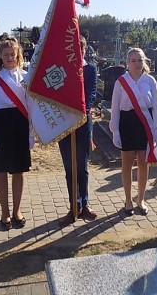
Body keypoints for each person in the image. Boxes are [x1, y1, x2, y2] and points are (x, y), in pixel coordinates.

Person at [0, 38, 32, 230]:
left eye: (13, 54)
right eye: (6, 54)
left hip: (19, 125)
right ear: (0, 57)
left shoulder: (26, 77)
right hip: (0, 126)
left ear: (18, 55)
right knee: (0, 170)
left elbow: (30, 106)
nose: (10, 57)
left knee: (18, 171)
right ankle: (4, 211)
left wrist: (30, 133)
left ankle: (17, 210)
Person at [110, 47, 157, 216]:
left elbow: (156, 106)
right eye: (133, 60)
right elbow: (115, 108)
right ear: (128, 62)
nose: (137, 63)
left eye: (140, 60)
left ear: (144, 61)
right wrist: (115, 131)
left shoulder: (150, 81)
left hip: (144, 125)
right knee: (126, 164)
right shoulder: (121, 82)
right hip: (127, 124)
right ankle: (127, 200)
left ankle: (140, 199)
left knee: (143, 163)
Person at [59, 37, 98, 224]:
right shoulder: (62, 70)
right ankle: (73, 205)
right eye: (74, 49)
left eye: (80, 48)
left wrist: (80, 111)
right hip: (65, 123)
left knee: (82, 167)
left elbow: (91, 94)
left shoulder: (90, 70)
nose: (78, 52)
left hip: (83, 121)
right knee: (69, 167)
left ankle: (85, 204)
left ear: (84, 50)